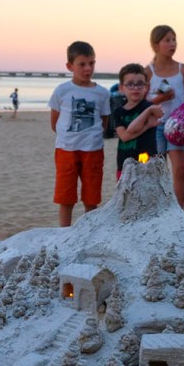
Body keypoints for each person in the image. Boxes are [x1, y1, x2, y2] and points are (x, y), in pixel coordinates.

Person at [49, 40, 111, 227]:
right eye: (82, 64)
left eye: (91, 63)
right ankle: (64, 232)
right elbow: (55, 121)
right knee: (65, 196)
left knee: (92, 197)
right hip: (66, 149)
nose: (88, 68)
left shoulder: (102, 93)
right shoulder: (62, 91)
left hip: (92, 149)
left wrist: (92, 136)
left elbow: (104, 122)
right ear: (70, 66)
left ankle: (89, 231)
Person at [146, 25, 184, 208]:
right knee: (157, 170)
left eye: (174, 39)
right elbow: (142, 104)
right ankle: (158, 210)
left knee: (180, 170)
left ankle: (179, 212)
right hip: (155, 125)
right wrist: (161, 98)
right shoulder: (148, 71)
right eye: (167, 40)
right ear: (155, 44)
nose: (172, 44)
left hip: (177, 126)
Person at [112, 63, 161, 178]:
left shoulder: (149, 107)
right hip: (124, 164)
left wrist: (148, 111)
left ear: (146, 87)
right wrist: (147, 125)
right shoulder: (118, 111)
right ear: (121, 88)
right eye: (130, 84)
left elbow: (131, 130)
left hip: (147, 163)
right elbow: (124, 136)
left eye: (140, 84)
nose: (135, 88)